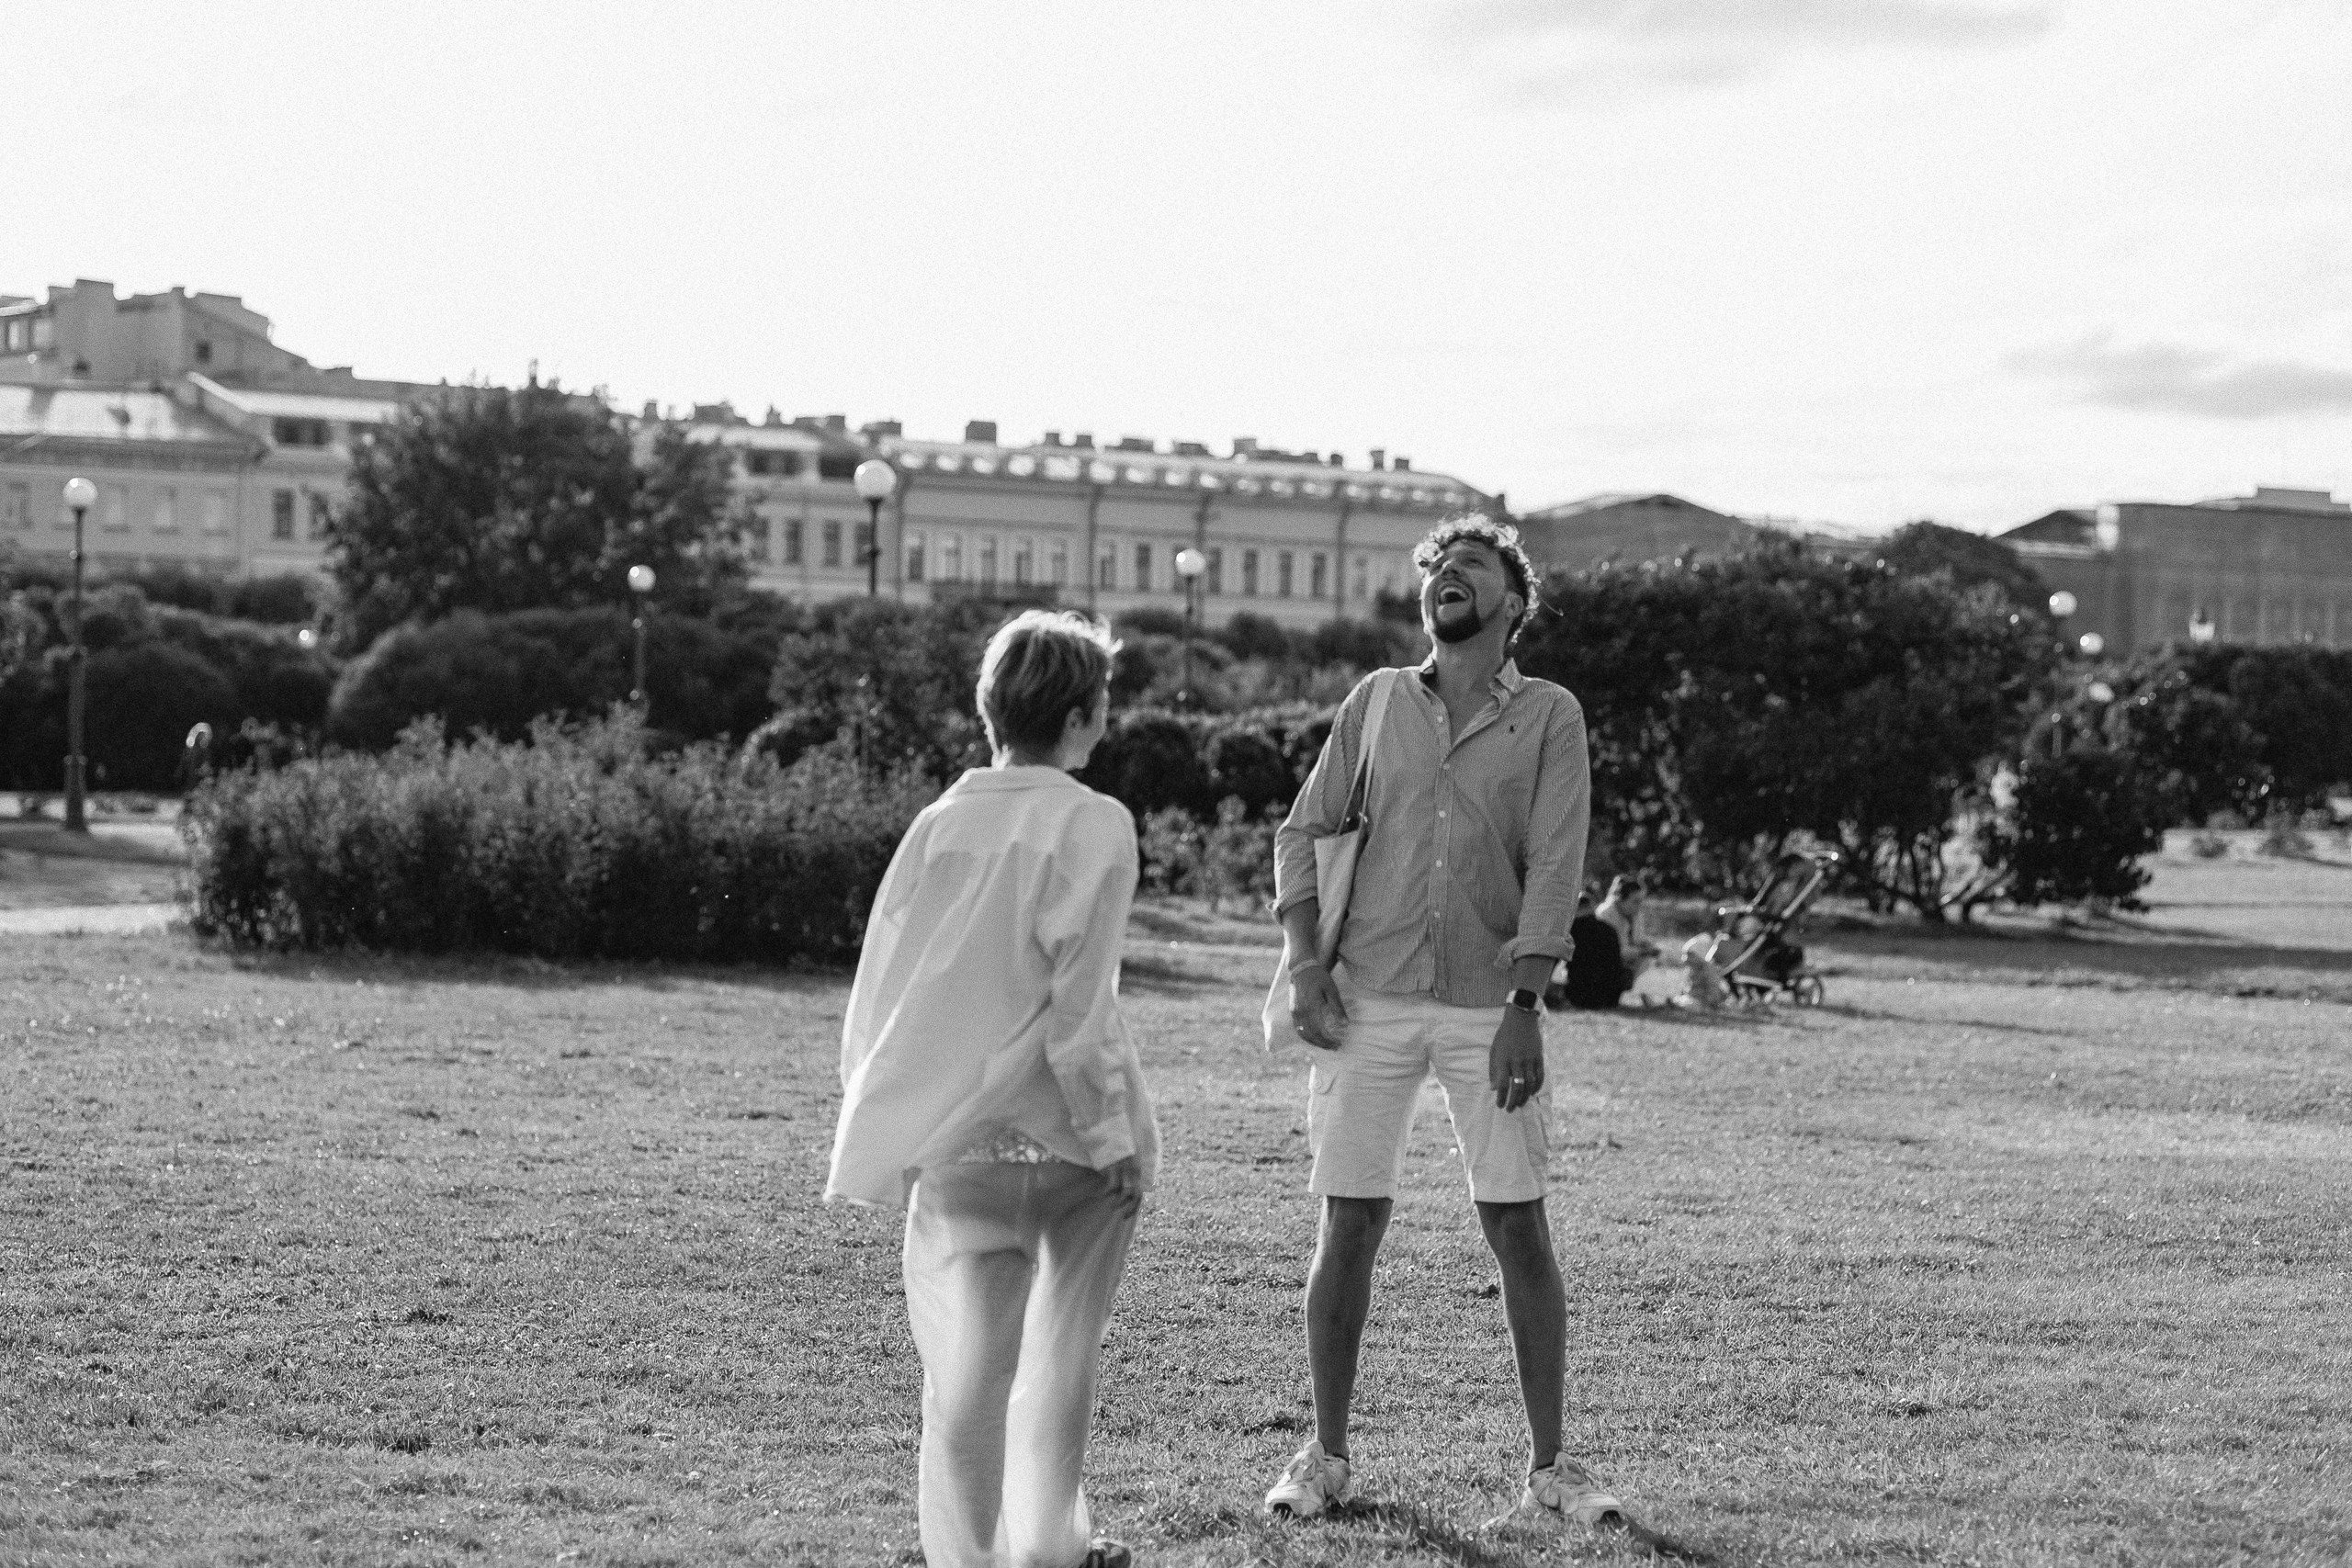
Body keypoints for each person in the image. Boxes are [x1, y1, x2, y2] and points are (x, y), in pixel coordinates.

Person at [1265, 514, 1629, 1535]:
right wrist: (1304, 963)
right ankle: (1326, 1458)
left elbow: (1555, 863)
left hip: (1487, 1007)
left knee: (1516, 1222)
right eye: (1437, 570)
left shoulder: (1551, 714)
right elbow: (1303, 828)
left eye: (1472, 568)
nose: (1448, 580)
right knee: (1349, 1221)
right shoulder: (1377, 701)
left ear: (1513, 602)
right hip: (1366, 997)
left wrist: (1526, 1004)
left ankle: (1550, 1474)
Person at [828, 609, 1157, 1568]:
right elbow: (1078, 1002)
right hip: (1067, 1146)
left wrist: (882, 1109)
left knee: (967, 1376)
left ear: (991, 709)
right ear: (1084, 714)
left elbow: (882, 983)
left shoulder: (939, 823)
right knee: (1059, 1365)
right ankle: (1048, 1549)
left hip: (958, 1141)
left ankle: (969, 1557)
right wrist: (1115, 1136)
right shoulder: (1095, 823)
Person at [1561, 892, 1627, 1010]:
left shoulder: (1571, 931)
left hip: (1580, 996)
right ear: (1592, 907)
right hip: (1611, 998)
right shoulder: (1609, 929)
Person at [1594, 875, 1659, 987]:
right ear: (1621, 898)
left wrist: (1647, 946)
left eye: (1640, 901)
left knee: (1648, 956)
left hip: (1625, 957)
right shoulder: (1605, 914)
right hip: (1602, 962)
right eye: (1635, 901)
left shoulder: (1635, 914)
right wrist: (1642, 951)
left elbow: (1638, 939)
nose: (1639, 906)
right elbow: (1615, 951)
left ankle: (1626, 985)